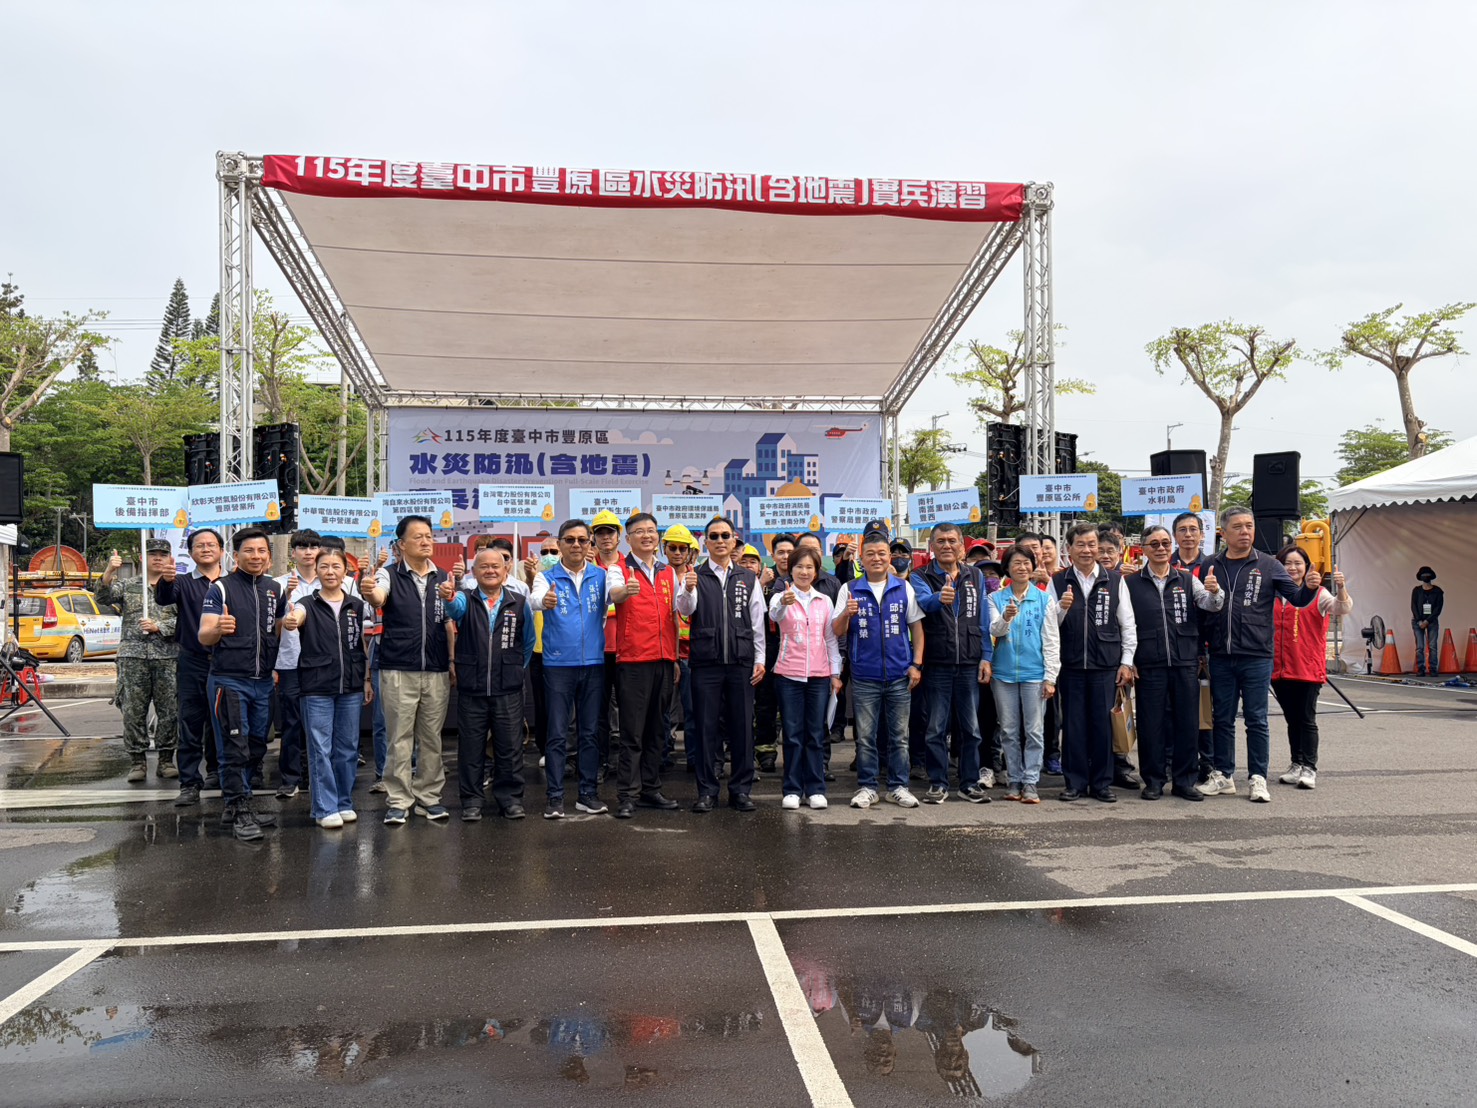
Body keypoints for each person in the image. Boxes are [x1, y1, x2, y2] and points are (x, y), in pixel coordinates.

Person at [1199, 507, 1317, 803]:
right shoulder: (1211, 564)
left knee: (1256, 720)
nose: (1245, 532)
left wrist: (1310, 588)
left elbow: (1298, 598)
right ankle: (1224, 775)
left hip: (1256, 655)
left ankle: (1257, 778)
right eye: (1238, 526)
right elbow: (1202, 608)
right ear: (1223, 532)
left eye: (1249, 526)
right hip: (1221, 655)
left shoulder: (1268, 564)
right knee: (1222, 718)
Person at [361, 515, 454, 825]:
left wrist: (451, 662)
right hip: (398, 669)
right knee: (399, 739)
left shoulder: (442, 577)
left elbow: (449, 622)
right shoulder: (389, 574)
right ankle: (399, 800)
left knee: (431, 739)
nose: (426, 541)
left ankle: (429, 798)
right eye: (418, 537)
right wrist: (369, 590)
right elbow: (378, 596)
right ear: (401, 544)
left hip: (436, 669)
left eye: (429, 535)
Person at [199, 526, 287, 841]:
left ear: (269, 556)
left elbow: (277, 629)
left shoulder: (275, 590)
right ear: (235, 556)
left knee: (257, 745)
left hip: (263, 682)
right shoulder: (220, 589)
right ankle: (239, 809)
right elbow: (204, 634)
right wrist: (218, 629)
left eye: (262, 551)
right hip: (229, 680)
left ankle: (237, 802)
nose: (256, 556)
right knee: (234, 747)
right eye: (249, 551)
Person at [1124, 525, 1223, 801]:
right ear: (1144, 549)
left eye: (1165, 543)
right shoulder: (1130, 583)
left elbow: (1211, 604)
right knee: (1150, 724)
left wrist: (1216, 592)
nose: (1161, 548)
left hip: (1185, 661)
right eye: (1154, 544)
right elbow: (1125, 625)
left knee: (1187, 723)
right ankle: (1154, 780)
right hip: (1148, 663)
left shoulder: (1187, 579)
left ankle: (1184, 781)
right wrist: (1128, 660)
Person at [674, 517, 766, 813]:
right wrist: (688, 589)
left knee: (742, 728)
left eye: (725, 535)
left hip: (741, 662)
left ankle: (741, 790)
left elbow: (757, 623)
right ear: (706, 542)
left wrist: (760, 660)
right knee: (705, 729)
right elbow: (684, 610)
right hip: (706, 663)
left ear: (734, 539)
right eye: (713, 536)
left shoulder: (747, 577)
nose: (720, 541)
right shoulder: (695, 575)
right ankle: (707, 791)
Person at [281, 547, 373, 829]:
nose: (330, 572)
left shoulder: (356, 605)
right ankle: (324, 807)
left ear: (345, 571)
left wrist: (367, 679)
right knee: (320, 748)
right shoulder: (306, 603)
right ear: (317, 570)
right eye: (324, 566)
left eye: (336, 566)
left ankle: (344, 802)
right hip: (316, 686)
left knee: (347, 748)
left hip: (351, 685)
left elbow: (363, 644)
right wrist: (291, 619)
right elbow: (296, 617)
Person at [833, 531, 926, 810]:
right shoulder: (849, 589)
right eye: (870, 554)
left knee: (899, 736)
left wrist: (916, 664)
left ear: (889, 558)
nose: (877, 558)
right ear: (861, 559)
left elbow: (916, 628)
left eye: (882, 553)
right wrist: (846, 614)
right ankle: (867, 786)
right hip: (864, 676)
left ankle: (898, 787)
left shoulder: (903, 587)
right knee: (865, 737)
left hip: (899, 675)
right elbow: (837, 631)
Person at [443, 545, 535, 821]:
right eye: (484, 566)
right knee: (471, 747)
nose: (491, 570)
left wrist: (513, 668)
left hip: (508, 688)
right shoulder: (466, 599)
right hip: (472, 687)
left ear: (506, 570)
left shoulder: (519, 602)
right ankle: (472, 800)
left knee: (510, 746)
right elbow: (454, 608)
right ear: (474, 572)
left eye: (496, 566)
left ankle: (510, 799)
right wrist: (449, 597)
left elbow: (527, 642)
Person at [531, 519, 611, 819]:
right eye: (569, 540)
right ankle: (554, 797)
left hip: (593, 664)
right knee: (556, 733)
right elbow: (535, 599)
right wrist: (545, 600)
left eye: (582, 540)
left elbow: (614, 597)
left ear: (590, 544)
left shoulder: (601, 576)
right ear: (560, 544)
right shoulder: (546, 577)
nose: (576, 545)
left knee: (589, 733)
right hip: (557, 665)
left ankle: (587, 794)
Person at [1052, 522, 1137, 803]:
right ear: (1069, 549)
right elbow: (1049, 625)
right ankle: (1074, 783)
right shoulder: (1057, 581)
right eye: (1081, 545)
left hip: (1105, 665)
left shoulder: (1114, 580)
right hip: (1071, 665)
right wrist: (1062, 608)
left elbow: (1127, 624)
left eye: (1092, 545)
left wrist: (1126, 662)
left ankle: (1102, 783)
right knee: (1073, 726)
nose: (1087, 550)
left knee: (1103, 726)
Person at [606, 512, 682, 819]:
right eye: (639, 531)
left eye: (651, 530)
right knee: (632, 732)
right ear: (628, 538)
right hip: (634, 660)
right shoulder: (619, 569)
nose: (647, 536)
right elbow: (614, 594)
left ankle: (651, 788)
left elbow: (675, 614)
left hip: (664, 660)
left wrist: (675, 658)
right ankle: (627, 794)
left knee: (656, 730)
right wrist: (626, 591)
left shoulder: (668, 572)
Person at [915, 523, 993, 804]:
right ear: (932, 546)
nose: (946, 545)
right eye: (940, 541)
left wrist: (986, 657)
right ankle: (938, 782)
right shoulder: (920, 575)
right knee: (936, 728)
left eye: (952, 540)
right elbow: (923, 603)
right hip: (938, 662)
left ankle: (969, 783)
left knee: (971, 728)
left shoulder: (975, 575)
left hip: (970, 661)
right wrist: (939, 598)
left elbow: (983, 618)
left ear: (961, 545)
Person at [97, 541, 179, 784]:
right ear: (143, 558)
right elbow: (103, 597)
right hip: (133, 657)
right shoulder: (128, 585)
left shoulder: (177, 587)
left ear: (170, 558)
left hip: (167, 656)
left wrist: (160, 626)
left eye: (163, 554)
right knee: (133, 711)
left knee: (169, 711)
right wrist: (109, 571)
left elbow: (187, 620)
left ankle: (166, 760)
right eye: (152, 554)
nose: (158, 558)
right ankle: (137, 761)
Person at [1273, 548, 1352, 790]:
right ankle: (1296, 763)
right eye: (1287, 563)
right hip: (1279, 668)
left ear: (1307, 567)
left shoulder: (1319, 593)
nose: (1292, 568)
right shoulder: (1274, 593)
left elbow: (1342, 608)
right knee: (1291, 719)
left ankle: (1309, 767)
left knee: (1306, 718)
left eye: (1298, 563)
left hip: (1307, 667)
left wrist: (1341, 588)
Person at [770, 547, 843, 809]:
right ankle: (792, 789)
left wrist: (835, 673)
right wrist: (783, 602)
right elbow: (774, 615)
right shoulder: (781, 596)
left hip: (819, 676)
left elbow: (830, 639)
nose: (804, 571)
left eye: (809, 567)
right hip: (788, 674)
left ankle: (815, 788)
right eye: (799, 567)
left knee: (815, 733)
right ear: (790, 569)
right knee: (792, 734)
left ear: (816, 571)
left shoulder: (824, 601)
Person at [156, 528, 224, 805]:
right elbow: (164, 597)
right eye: (199, 545)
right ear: (191, 552)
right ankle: (189, 783)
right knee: (190, 721)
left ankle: (217, 772)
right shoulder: (182, 582)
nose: (206, 549)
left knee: (221, 721)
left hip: (226, 662)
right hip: (192, 661)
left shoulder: (232, 582)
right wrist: (166, 580)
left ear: (221, 550)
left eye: (211, 544)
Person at [989, 545, 1060, 803]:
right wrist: (1006, 617)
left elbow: (1051, 640)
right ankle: (1014, 779)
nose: (1022, 567)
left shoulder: (1044, 599)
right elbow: (994, 631)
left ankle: (1031, 781)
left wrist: (1050, 677)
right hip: (1003, 674)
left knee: (1034, 731)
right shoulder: (995, 598)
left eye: (1026, 562)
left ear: (1033, 567)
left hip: (1035, 674)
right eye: (1016, 563)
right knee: (1008, 730)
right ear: (1007, 568)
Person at [271, 528, 322, 800]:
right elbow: (271, 626)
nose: (308, 552)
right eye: (302, 547)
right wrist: (285, 598)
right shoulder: (279, 584)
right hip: (290, 661)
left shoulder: (332, 580)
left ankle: (316, 776)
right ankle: (290, 778)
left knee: (319, 723)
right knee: (291, 722)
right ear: (293, 553)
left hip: (322, 663)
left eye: (313, 547)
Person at [1093, 526, 1144, 791]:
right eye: (1099, 550)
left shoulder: (1127, 580)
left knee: (1120, 713)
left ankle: (1121, 767)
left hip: (1122, 658)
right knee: (1096, 717)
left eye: (1110, 551)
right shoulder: (1086, 579)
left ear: (1119, 552)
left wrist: (1129, 659)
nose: (1104, 555)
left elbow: (1131, 624)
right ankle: (1096, 767)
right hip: (1094, 659)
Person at [658, 525, 699, 774]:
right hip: (666, 652)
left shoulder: (698, 577)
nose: (676, 553)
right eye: (672, 547)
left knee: (692, 709)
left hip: (692, 653)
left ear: (689, 551)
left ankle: (694, 757)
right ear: (664, 549)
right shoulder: (658, 575)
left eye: (681, 548)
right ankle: (662, 754)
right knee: (663, 709)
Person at [589, 509, 625, 784]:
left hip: (627, 651)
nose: (605, 537)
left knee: (630, 712)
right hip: (597, 652)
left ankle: (627, 765)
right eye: (600, 533)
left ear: (619, 536)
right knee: (597, 713)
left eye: (609, 532)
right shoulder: (587, 568)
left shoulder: (630, 566)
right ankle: (600, 762)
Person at [754, 535, 792, 774]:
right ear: (773, 555)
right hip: (768, 646)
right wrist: (760, 583)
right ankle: (765, 752)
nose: (786, 557)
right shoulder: (765, 579)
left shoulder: (802, 578)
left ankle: (794, 756)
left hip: (794, 648)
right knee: (765, 702)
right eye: (781, 552)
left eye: (790, 552)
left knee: (792, 704)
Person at [523, 535, 561, 764]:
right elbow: (532, 597)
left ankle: (567, 749)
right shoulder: (536, 578)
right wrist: (530, 575)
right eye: (545, 552)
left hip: (564, 651)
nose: (549, 556)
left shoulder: (567, 576)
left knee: (565, 706)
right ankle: (546, 748)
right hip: (539, 651)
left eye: (553, 551)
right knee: (542, 703)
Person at [1411, 566, 1444, 676]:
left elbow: (1438, 609)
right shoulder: (1416, 591)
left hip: (1432, 621)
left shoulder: (1438, 591)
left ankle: (1433, 668)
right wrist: (1419, 621)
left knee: (1432, 646)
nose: (1426, 577)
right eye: (1424, 575)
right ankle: (1421, 669)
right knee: (1420, 647)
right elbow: (1413, 606)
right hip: (1418, 621)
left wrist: (1427, 621)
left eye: (1427, 575)